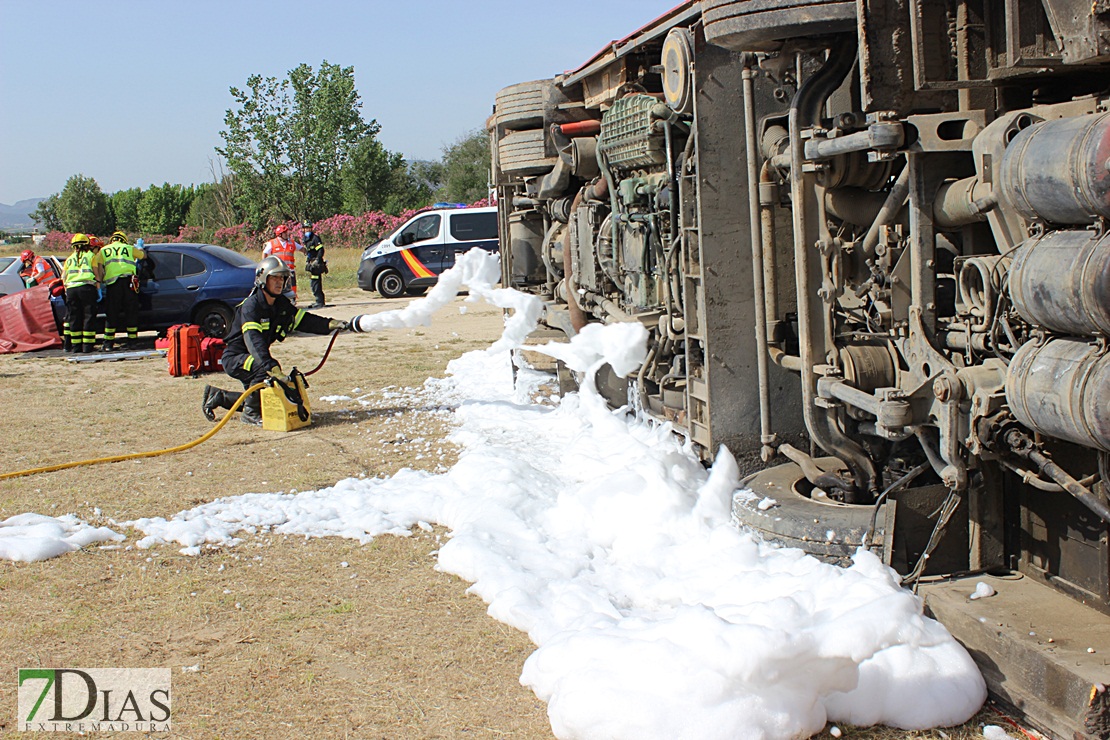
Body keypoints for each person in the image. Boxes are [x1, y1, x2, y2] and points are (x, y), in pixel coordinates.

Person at [201, 256, 348, 425]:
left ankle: (219, 396)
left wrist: (330, 324)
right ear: (263, 279)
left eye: (282, 278)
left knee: (264, 399)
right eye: (275, 278)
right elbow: (253, 340)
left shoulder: (280, 304)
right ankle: (249, 414)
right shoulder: (251, 306)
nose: (280, 282)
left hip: (255, 357)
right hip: (236, 358)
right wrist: (269, 366)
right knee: (263, 372)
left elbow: (303, 320)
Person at [99, 230, 145, 351]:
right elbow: (143, 256)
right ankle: (132, 342)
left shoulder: (104, 250)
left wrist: (99, 283)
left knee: (112, 314)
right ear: (124, 240)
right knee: (131, 312)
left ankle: (108, 344)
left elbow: (97, 265)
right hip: (130, 284)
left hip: (113, 284)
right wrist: (139, 248)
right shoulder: (129, 248)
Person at [61, 233, 103, 353]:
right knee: (88, 316)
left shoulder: (69, 259)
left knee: (74, 318)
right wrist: (98, 288)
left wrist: (66, 290)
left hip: (71, 289)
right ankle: (87, 347)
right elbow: (96, 274)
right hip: (86, 288)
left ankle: (75, 347)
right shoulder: (91, 256)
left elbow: (63, 276)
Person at [261, 223, 304, 301]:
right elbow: (265, 253)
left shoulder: (292, 242)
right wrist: (264, 264)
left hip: (290, 270)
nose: (287, 234)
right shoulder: (272, 243)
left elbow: (302, 249)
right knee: (280, 286)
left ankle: (292, 300)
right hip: (279, 271)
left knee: (292, 286)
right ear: (280, 234)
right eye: (285, 233)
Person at [302, 220, 328, 309]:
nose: (307, 230)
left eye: (309, 228)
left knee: (316, 283)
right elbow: (309, 252)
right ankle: (318, 300)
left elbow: (321, 250)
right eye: (306, 228)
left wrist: (317, 260)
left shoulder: (315, 238)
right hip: (311, 263)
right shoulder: (306, 239)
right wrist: (307, 261)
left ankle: (320, 301)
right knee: (313, 283)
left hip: (317, 264)